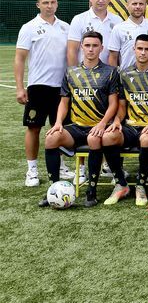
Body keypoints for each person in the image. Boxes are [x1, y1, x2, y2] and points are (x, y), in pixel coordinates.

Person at [39, 31, 119, 207]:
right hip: (76, 127)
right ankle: (53, 190)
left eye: (95, 46)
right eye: (87, 45)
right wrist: (58, 123)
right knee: (51, 138)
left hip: (98, 126)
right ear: (81, 47)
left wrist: (102, 124)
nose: (91, 49)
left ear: (101, 48)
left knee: (94, 139)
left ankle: (91, 192)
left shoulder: (111, 72)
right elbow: (64, 102)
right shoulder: (71, 72)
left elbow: (114, 104)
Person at [100, 34, 148, 206]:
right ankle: (121, 183)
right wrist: (117, 120)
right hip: (130, 126)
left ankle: (140, 185)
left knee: (146, 139)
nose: (143, 52)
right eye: (140, 49)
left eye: (147, 49)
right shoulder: (124, 74)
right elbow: (122, 106)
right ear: (134, 50)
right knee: (108, 137)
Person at [15, 0, 70, 187]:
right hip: (38, 86)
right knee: (34, 128)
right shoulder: (29, 27)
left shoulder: (65, 27)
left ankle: (61, 166)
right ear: (38, 5)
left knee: (60, 128)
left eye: (52, 2)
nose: (49, 5)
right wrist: (20, 87)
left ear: (57, 4)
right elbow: (20, 58)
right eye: (45, 2)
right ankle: (32, 171)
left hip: (61, 87)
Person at [67, 0, 123, 66]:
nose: (101, 0)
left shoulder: (118, 20)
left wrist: (113, 73)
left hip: (109, 72)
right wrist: (74, 72)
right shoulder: (79, 19)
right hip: (85, 72)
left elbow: (118, 53)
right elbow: (72, 50)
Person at [107, 0, 148, 70]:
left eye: (141, 4)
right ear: (127, 6)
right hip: (126, 76)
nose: (138, 7)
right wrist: (115, 76)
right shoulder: (118, 28)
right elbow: (113, 57)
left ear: (145, 5)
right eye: (134, 4)